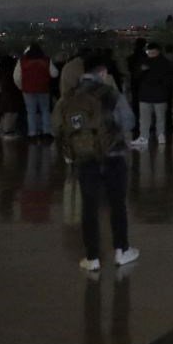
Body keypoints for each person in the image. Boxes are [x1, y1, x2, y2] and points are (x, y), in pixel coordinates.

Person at [52, 55, 138, 273]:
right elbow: (128, 121)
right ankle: (121, 250)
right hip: (113, 155)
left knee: (89, 207)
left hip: (84, 157)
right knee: (117, 204)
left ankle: (92, 257)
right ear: (103, 73)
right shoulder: (111, 94)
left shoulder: (68, 98)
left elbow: (58, 127)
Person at [129, 43, 173, 148]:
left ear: (157, 51)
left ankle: (146, 137)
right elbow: (169, 80)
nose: (150, 54)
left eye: (152, 52)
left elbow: (136, 76)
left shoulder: (146, 62)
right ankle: (158, 136)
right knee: (157, 117)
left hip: (148, 94)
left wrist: (141, 71)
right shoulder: (165, 63)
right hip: (157, 94)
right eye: (149, 52)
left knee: (149, 118)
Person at [14, 42, 58, 142]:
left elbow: (16, 77)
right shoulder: (46, 60)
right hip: (43, 88)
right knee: (45, 110)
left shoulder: (22, 61)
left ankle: (32, 133)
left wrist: (22, 87)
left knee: (31, 112)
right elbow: (54, 73)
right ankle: (46, 132)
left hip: (28, 90)